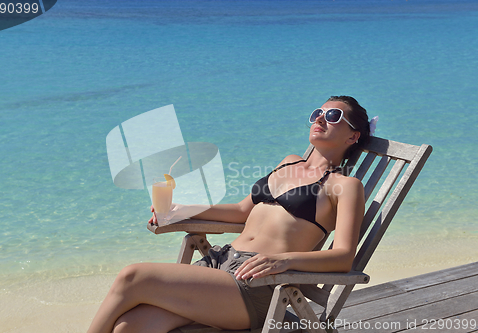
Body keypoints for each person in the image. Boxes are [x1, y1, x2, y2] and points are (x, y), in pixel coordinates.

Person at [87, 95, 371, 333]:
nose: (320, 119)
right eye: (318, 113)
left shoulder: (345, 186)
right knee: (130, 326)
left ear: (353, 135)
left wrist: (282, 261)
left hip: (257, 283)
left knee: (133, 277)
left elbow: (344, 256)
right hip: (219, 265)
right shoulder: (289, 162)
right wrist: (184, 210)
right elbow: (240, 211)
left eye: (332, 115)